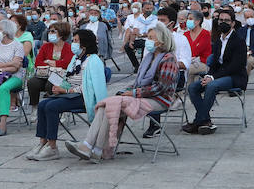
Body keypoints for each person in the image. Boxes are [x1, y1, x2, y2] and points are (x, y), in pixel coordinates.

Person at [66, 25, 178, 162]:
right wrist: (126, 91)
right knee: (106, 104)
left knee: (113, 104)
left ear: (161, 41)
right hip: (142, 95)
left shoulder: (168, 59)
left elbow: (161, 88)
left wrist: (134, 93)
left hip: (160, 99)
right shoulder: (149, 57)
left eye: (150, 38)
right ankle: (94, 148)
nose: (146, 40)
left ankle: (92, 146)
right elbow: (138, 81)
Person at [28, 28, 106, 161]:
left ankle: (52, 148)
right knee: (42, 104)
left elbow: (91, 87)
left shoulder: (94, 61)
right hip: (70, 93)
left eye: (76, 41)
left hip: (83, 97)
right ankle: (43, 142)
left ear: (84, 44)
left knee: (51, 107)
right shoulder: (76, 58)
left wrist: (67, 91)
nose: (73, 44)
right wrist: (59, 86)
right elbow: (68, 79)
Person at [183, 8, 246, 135]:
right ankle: (205, 121)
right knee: (193, 87)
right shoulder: (218, 41)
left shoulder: (239, 41)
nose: (223, 22)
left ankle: (198, 121)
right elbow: (214, 63)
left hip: (234, 77)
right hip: (218, 75)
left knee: (211, 86)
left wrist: (212, 78)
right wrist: (208, 75)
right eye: (221, 20)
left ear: (233, 23)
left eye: (227, 20)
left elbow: (235, 66)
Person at [25, 20, 74, 114]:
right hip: (44, 74)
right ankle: (35, 108)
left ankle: (57, 109)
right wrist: (56, 63)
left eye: (53, 31)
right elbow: (38, 62)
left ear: (61, 33)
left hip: (61, 77)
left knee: (51, 83)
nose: (50, 33)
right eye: (50, 31)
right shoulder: (45, 46)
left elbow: (67, 63)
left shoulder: (68, 47)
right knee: (32, 82)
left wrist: (53, 63)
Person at [183, 9, 212, 81]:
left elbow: (196, 51)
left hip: (203, 62)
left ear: (198, 21)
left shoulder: (205, 34)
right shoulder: (185, 34)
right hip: (189, 61)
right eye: (187, 19)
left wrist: (189, 56)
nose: (187, 21)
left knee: (187, 68)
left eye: (190, 19)